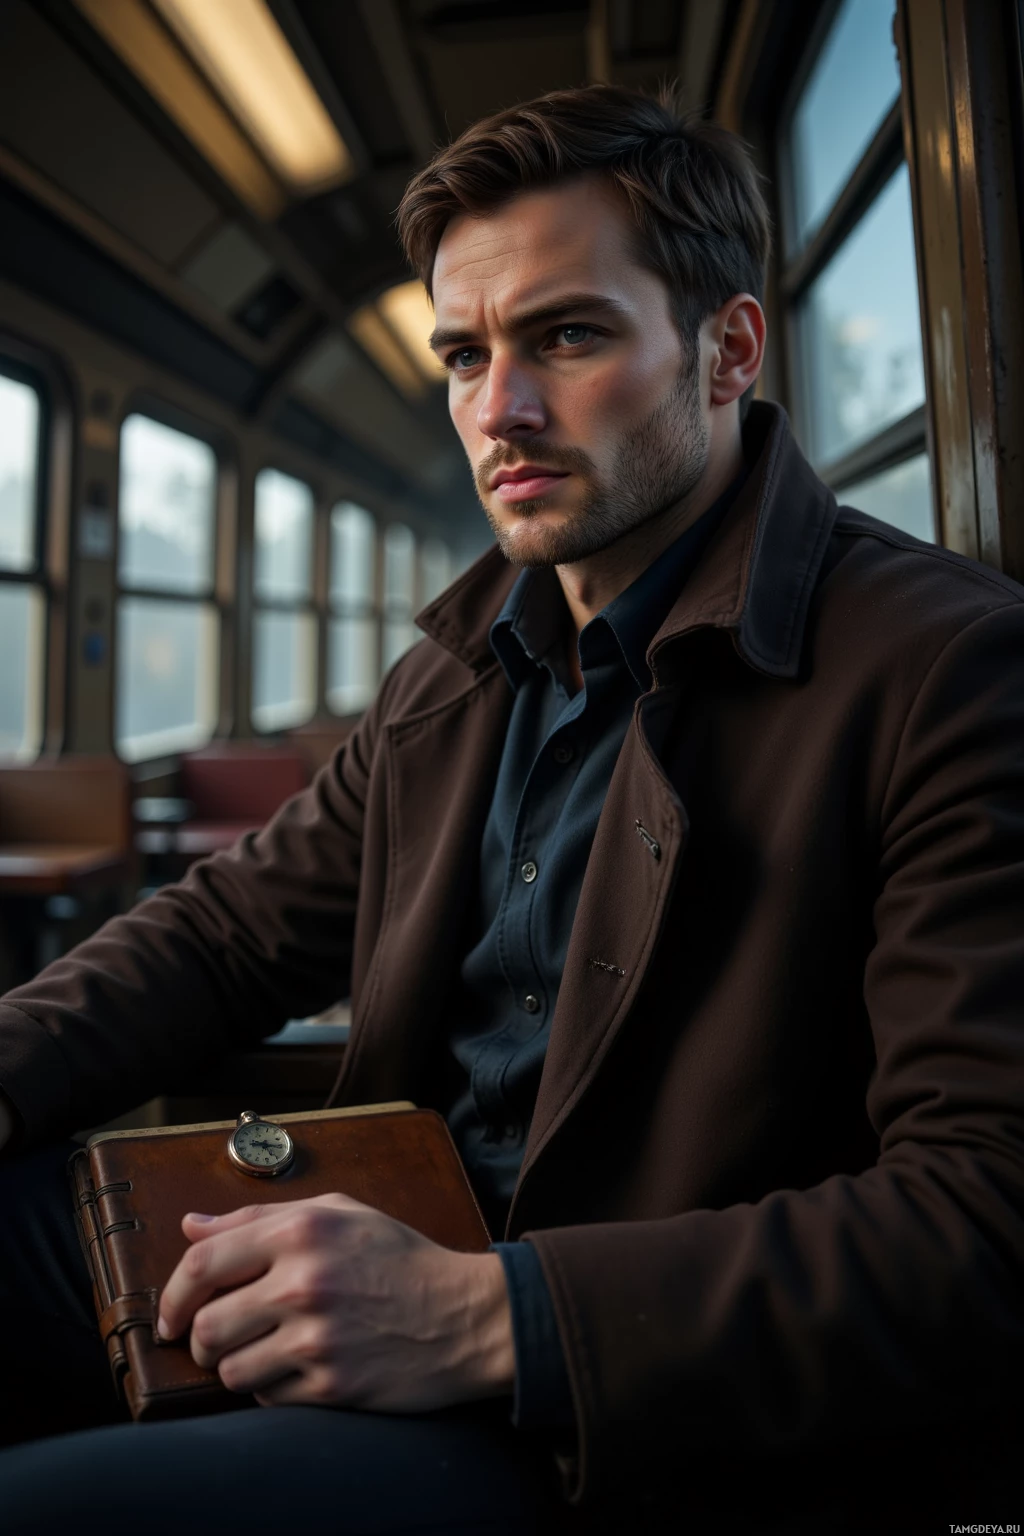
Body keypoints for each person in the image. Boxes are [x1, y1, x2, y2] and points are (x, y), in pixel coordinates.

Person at [0, 82, 1022, 1534]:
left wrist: (493, 1320)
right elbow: (227, 937)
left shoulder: (944, 668)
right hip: (397, 1242)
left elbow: (984, 1222)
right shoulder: (466, 665)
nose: (501, 409)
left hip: (607, 1409)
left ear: (728, 350)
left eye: (569, 335)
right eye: (464, 355)